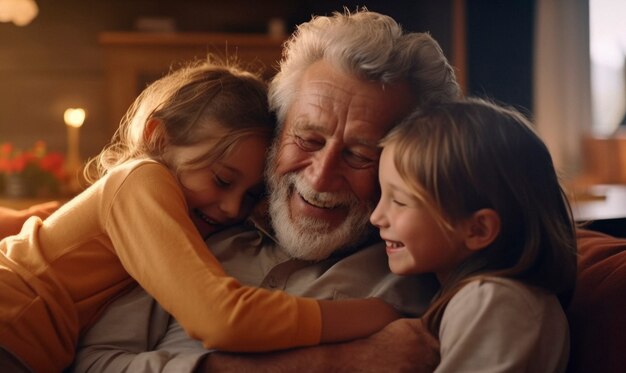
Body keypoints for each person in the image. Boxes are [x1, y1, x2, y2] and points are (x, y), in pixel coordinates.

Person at [71, 9, 462, 373]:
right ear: (277, 130)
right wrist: (339, 361)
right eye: (308, 139)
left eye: (359, 155)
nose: (321, 177)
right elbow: (94, 363)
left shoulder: (414, 285)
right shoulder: (201, 225)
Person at [0, 59, 404, 373]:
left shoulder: (195, 214)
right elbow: (222, 318)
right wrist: (379, 315)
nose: (232, 209)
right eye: (222, 179)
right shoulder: (142, 178)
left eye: (249, 195)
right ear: (157, 138)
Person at [370, 98, 578, 372]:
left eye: (399, 201)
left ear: (478, 229)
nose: (376, 217)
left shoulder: (494, 302)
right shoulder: (475, 296)